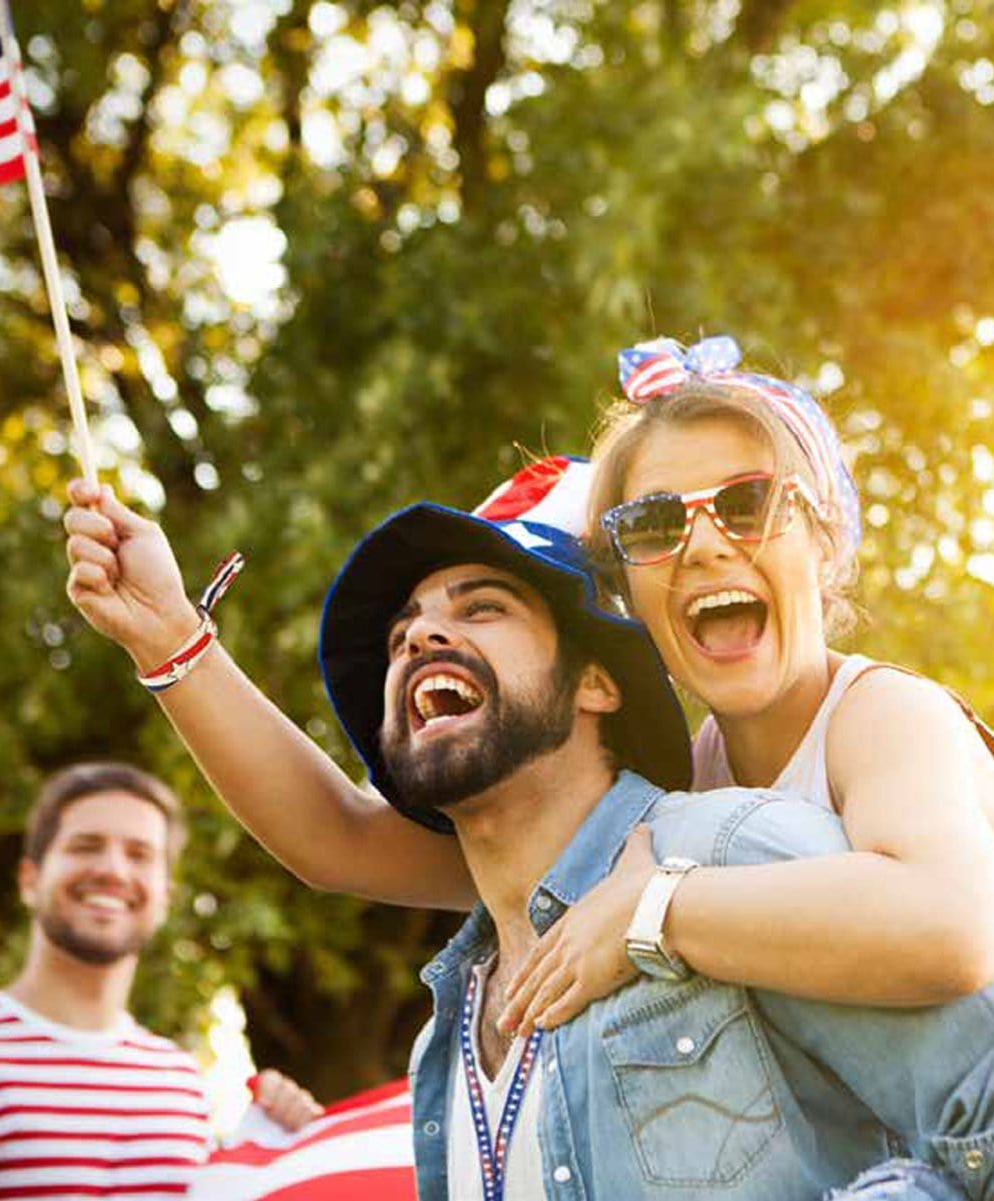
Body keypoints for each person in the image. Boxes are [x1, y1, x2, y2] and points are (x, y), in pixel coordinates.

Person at [68, 466, 994, 1200]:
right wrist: (167, 635)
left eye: (481, 608)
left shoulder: (723, 849)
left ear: (597, 683)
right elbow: (331, 836)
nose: (422, 638)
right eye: (401, 636)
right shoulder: (452, 1022)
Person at [62, 328, 994, 1037]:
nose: (705, 541)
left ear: (823, 539)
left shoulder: (882, 715)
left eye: (749, 504)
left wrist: (650, 908)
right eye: (654, 523)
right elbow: (339, 839)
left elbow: (953, 929)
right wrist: (169, 637)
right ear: (626, 590)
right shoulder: (666, 798)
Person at [0, 762, 321, 1201]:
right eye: (86, 846)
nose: (113, 870)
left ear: (165, 897)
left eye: (139, 854)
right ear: (29, 879)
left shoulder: (178, 1082)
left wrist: (285, 1145)